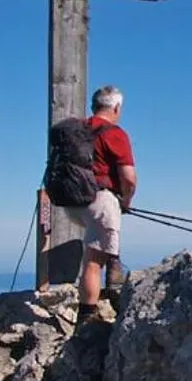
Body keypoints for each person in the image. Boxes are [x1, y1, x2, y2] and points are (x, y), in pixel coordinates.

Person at [69, 84, 136, 319]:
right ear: (116, 107)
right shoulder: (114, 133)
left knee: (98, 251)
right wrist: (126, 201)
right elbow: (128, 178)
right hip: (99, 197)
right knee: (94, 262)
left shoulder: (77, 130)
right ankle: (87, 318)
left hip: (72, 201)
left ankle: (112, 276)